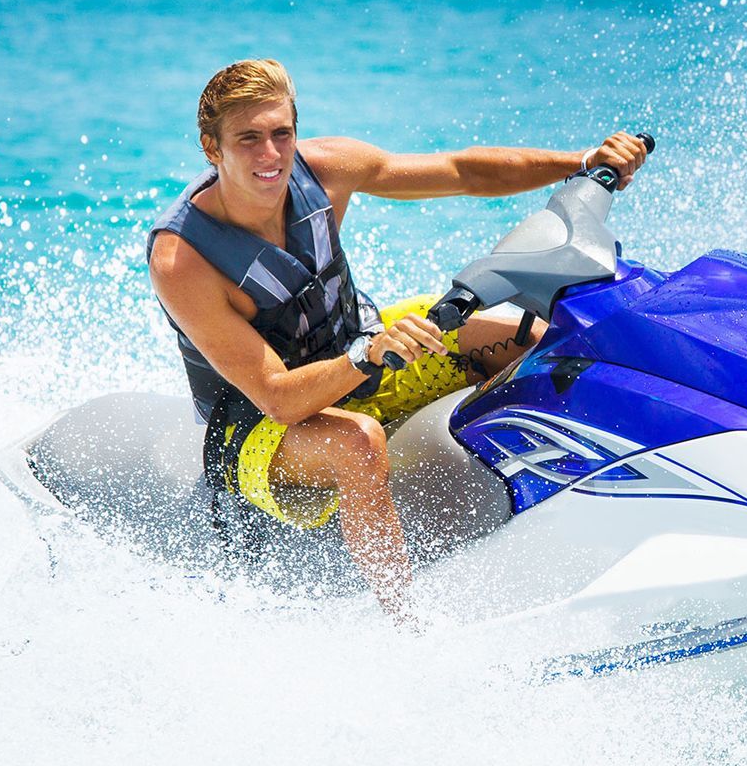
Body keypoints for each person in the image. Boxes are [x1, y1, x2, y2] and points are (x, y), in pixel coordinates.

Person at [148, 58, 649, 617]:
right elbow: (277, 395)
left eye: (281, 134)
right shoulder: (182, 260)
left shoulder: (327, 168)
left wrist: (581, 163)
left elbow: (462, 172)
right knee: (356, 441)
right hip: (257, 424)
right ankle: (405, 625)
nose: (270, 155)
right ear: (211, 148)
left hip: (355, 345)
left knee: (538, 339)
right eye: (248, 139)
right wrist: (368, 355)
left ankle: (594, 498)